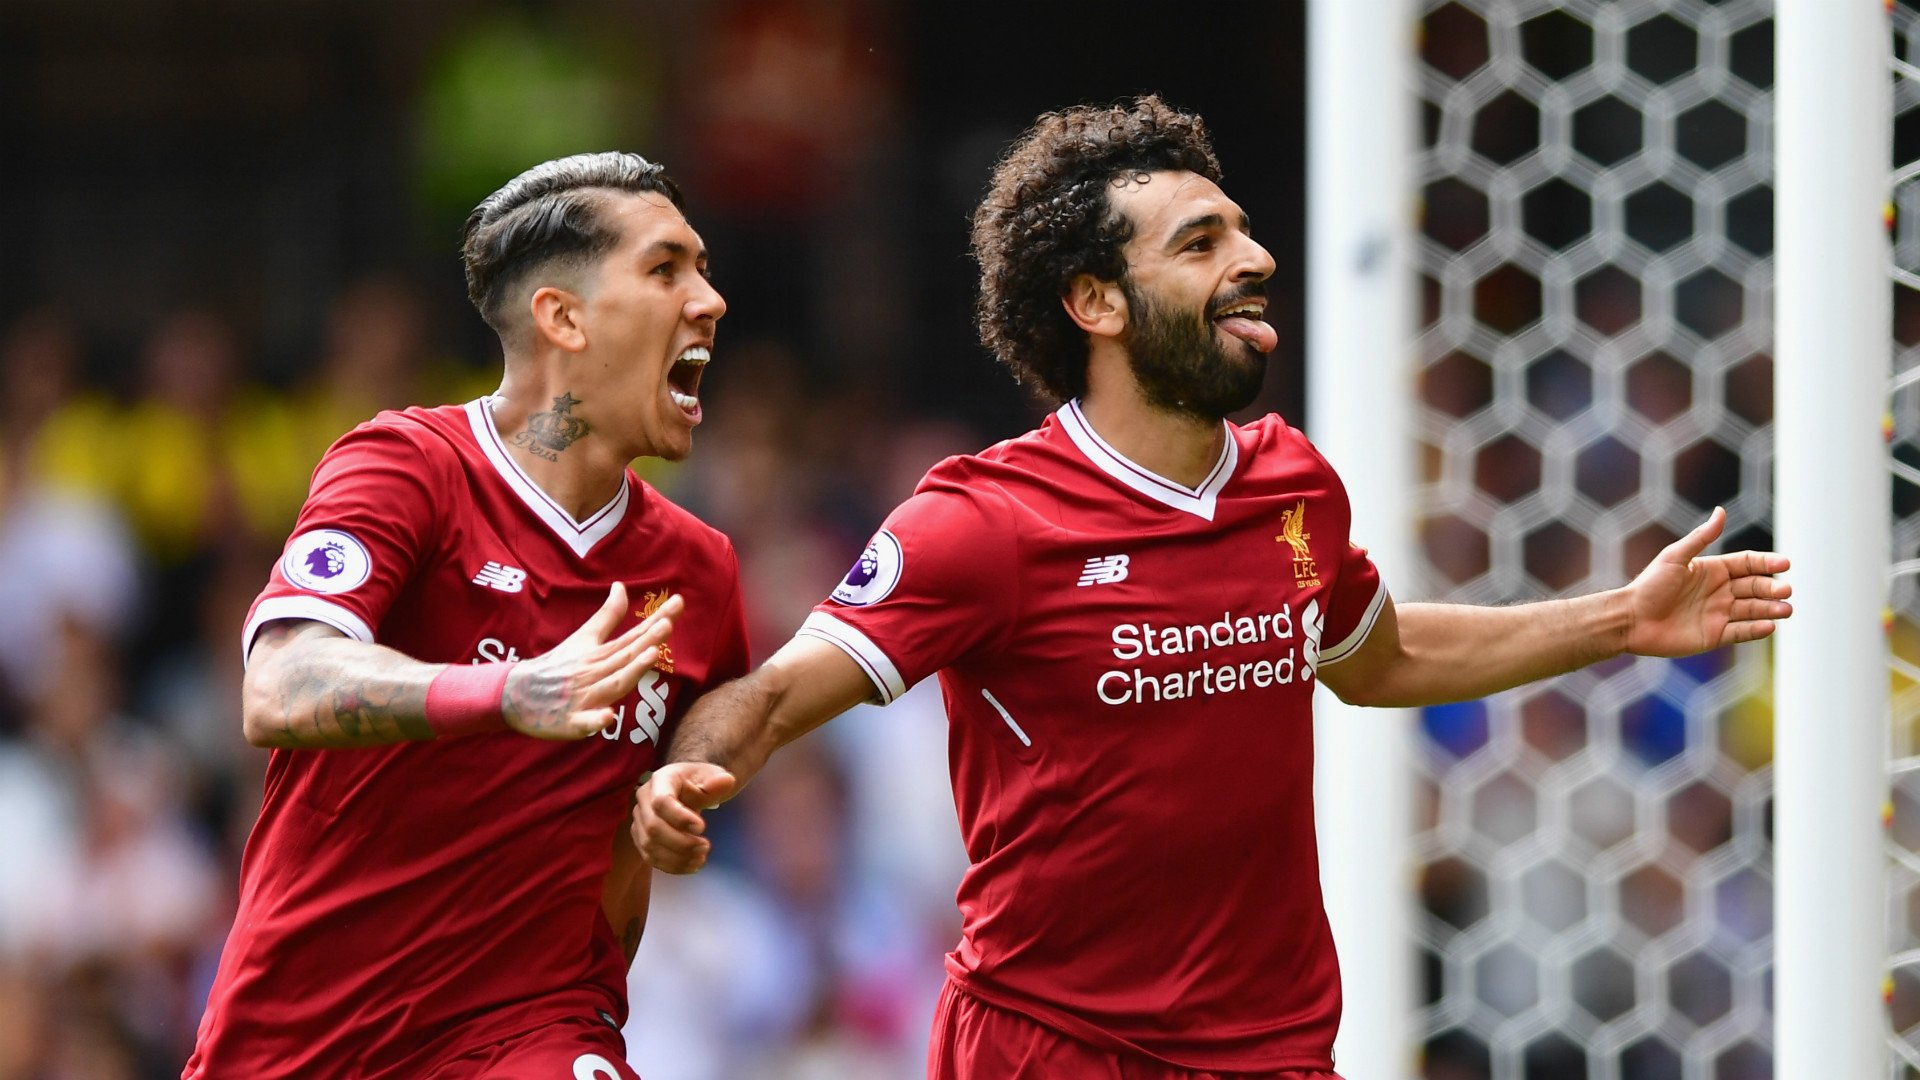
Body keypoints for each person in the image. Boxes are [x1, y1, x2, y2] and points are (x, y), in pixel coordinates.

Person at [631, 97, 1792, 1080]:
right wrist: (680, 779)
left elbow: (1380, 659)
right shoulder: (985, 524)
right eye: (1200, 243)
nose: (1254, 259)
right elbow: (775, 698)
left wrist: (1622, 619)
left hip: (1269, 1048)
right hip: (1051, 1047)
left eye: (1240, 228)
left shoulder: (1293, 486)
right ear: (1096, 302)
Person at [185, 151, 751, 1080]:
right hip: (306, 1038)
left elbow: (630, 847)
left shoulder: (698, 571)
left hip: (527, 1034)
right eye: (665, 269)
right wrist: (507, 693)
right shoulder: (407, 467)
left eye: (704, 268)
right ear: (562, 317)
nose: (709, 300)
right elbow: (279, 685)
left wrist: (669, 816)